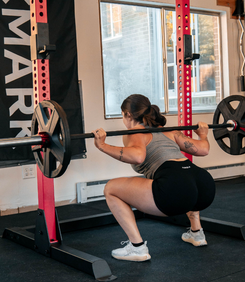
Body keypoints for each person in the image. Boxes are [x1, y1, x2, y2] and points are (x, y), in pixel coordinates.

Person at [92, 94, 216, 262]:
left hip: (175, 189)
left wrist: (102, 146)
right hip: (203, 185)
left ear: (128, 115)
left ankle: (137, 248)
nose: (123, 120)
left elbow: (137, 157)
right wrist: (202, 134)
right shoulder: (170, 131)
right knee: (183, 180)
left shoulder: (135, 132)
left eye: (122, 115)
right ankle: (197, 233)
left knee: (111, 189)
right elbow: (203, 149)